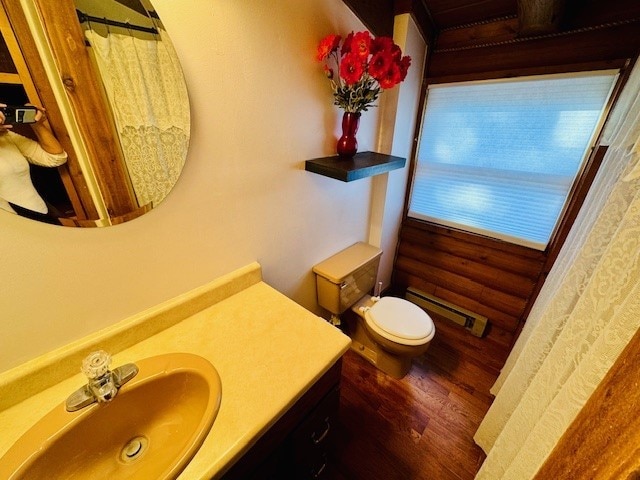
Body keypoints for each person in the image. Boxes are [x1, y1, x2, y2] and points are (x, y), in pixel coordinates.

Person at [0, 102, 68, 224]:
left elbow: (55, 157)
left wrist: (36, 124)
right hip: (8, 226)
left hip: (38, 211)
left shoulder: (6, 137)